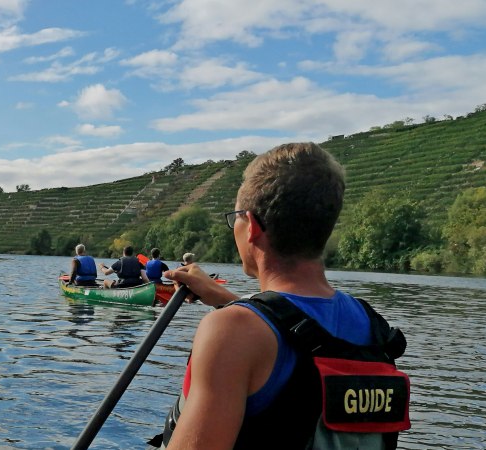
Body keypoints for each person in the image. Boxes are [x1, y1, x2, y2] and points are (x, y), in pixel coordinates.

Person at [153, 143, 410, 449]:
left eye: (235, 217)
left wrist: (233, 315)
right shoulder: (373, 328)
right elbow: (300, 339)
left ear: (251, 227)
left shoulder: (231, 332)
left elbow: (278, 341)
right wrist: (229, 301)